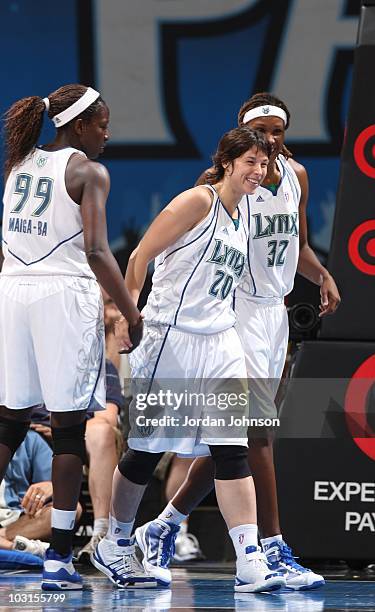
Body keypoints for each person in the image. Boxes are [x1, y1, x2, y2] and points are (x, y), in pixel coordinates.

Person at [135, 92, 341, 591]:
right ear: (244, 138)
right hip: (237, 312)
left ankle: (161, 525)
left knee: (240, 439)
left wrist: (321, 274)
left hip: (275, 317)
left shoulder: (298, 177)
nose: (271, 141)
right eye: (262, 133)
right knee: (257, 435)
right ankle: (271, 550)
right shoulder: (227, 186)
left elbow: (297, 244)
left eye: (278, 131)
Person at [92, 126, 286, 594]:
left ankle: (250, 559)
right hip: (172, 337)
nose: (258, 172)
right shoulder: (198, 201)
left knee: (231, 446)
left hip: (219, 341)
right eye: (250, 163)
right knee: (148, 448)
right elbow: (139, 255)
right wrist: (129, 313)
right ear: (226, 163)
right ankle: (114, 541)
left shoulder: (245, 215)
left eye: (264, 164)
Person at [0, 84, 145, 590]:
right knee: (67, 427)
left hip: (12, 290)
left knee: (9, 420)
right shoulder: (87, 170)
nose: (107, 134)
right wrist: (132, 311)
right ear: (79, 125)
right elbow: (97, 251)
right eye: (102, 125)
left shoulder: (20, 160)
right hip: (62, 295)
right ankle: (60, 558)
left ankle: (57, 552)